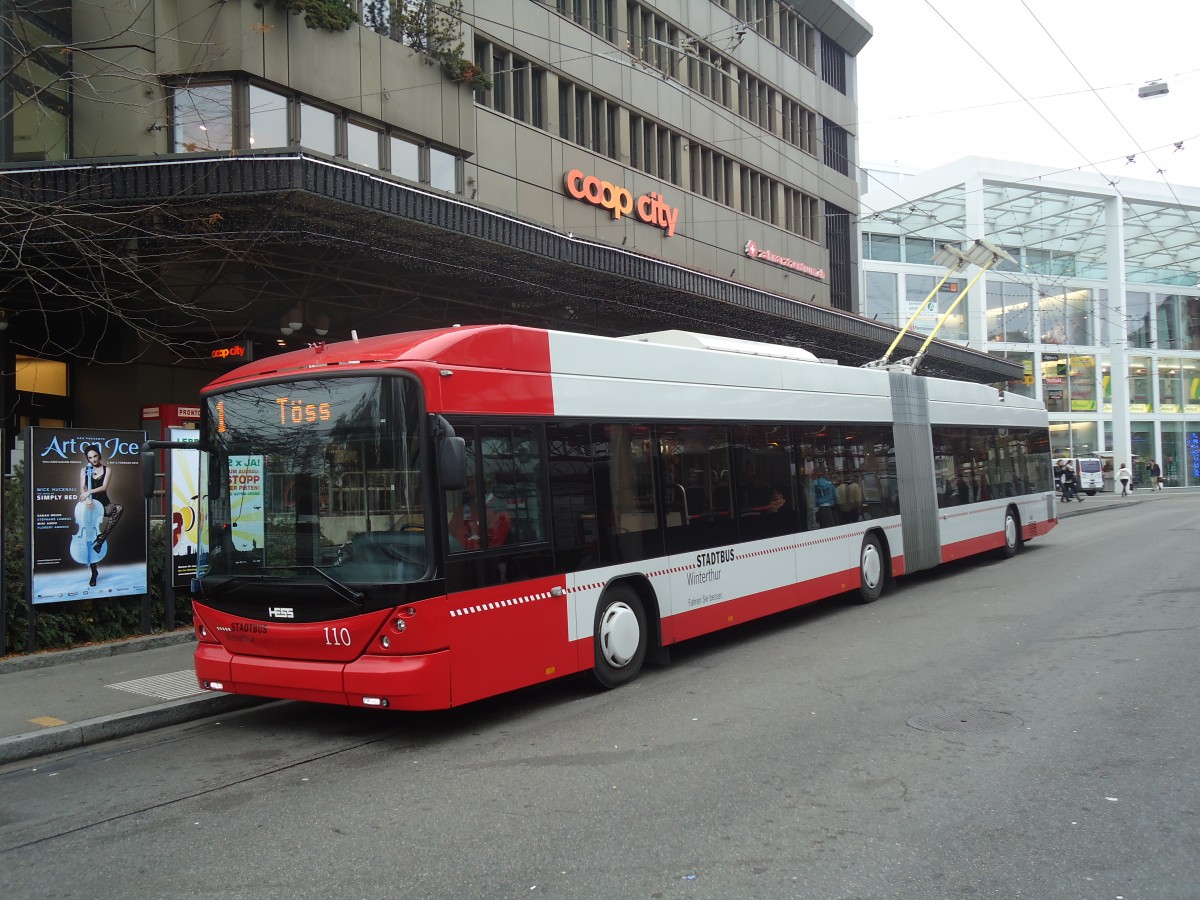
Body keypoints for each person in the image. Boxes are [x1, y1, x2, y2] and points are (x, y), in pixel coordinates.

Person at [79, 444, 123, 586]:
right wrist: (87, 499)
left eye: (95, 456)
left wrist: (89, 493)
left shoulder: (107, 469)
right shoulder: (84, 470)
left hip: (103, 505)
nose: (93, 460)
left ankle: (101, 538)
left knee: (119, 509)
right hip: (89, 507)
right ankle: (94, 572)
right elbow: (82, 488)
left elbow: (104, 487)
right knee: (87, 538)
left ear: (99, 455)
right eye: (90, 458)